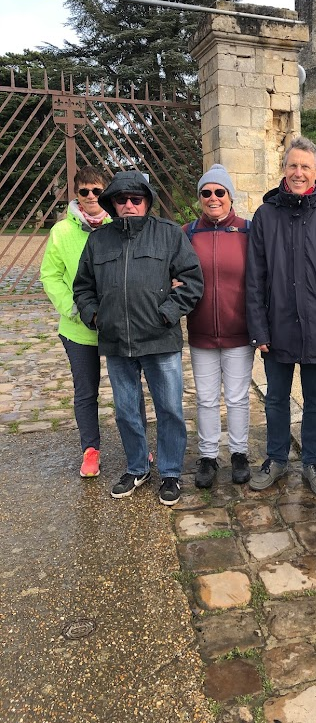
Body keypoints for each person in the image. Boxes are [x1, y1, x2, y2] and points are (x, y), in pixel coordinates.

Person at [73, 170, 204, 506]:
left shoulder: (169, 234)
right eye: (121, 199)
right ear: (112, 203)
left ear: (146, 202)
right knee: (127, 411)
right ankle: (137, 467)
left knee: (170, 410)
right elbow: (83, 287)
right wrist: (95, 315)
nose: (129, 205)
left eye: (136, 199)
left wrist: (166, 313)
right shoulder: (99, 240)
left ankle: (171, 472)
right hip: (117, 342)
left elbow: (192, 281)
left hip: (160, 340)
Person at [246, 136, 316, 497]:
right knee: (276, 398)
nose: (298, 172)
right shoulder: (265, 216)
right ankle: (276, 459)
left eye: (305, 166)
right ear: (283, 169)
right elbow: (255, 278)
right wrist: (258, 329)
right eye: (292, 165)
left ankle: (313, 461)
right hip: (276, 326)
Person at [184, 164, 253, 489]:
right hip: (201, 333)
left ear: (229, 196)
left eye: (219, 192)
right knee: (207, 398)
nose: (213, 198)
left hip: (238, 332)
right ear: (200, 197)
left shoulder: (247, 231)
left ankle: (239, 452)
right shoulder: (187, 234)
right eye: (206, 192)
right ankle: (208, 456)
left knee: (238, 398)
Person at [40, 166, 111, 478]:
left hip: (116, 325)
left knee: (128, 390)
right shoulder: (62, 232)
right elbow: (50, 275)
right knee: (86, 391)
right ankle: (90, 450)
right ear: (77, 195)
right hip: (78, 328)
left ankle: (136, 445)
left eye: (97, 190)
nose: (92, 196)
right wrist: (72, 309)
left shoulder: (117, 225)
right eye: (85, 191)